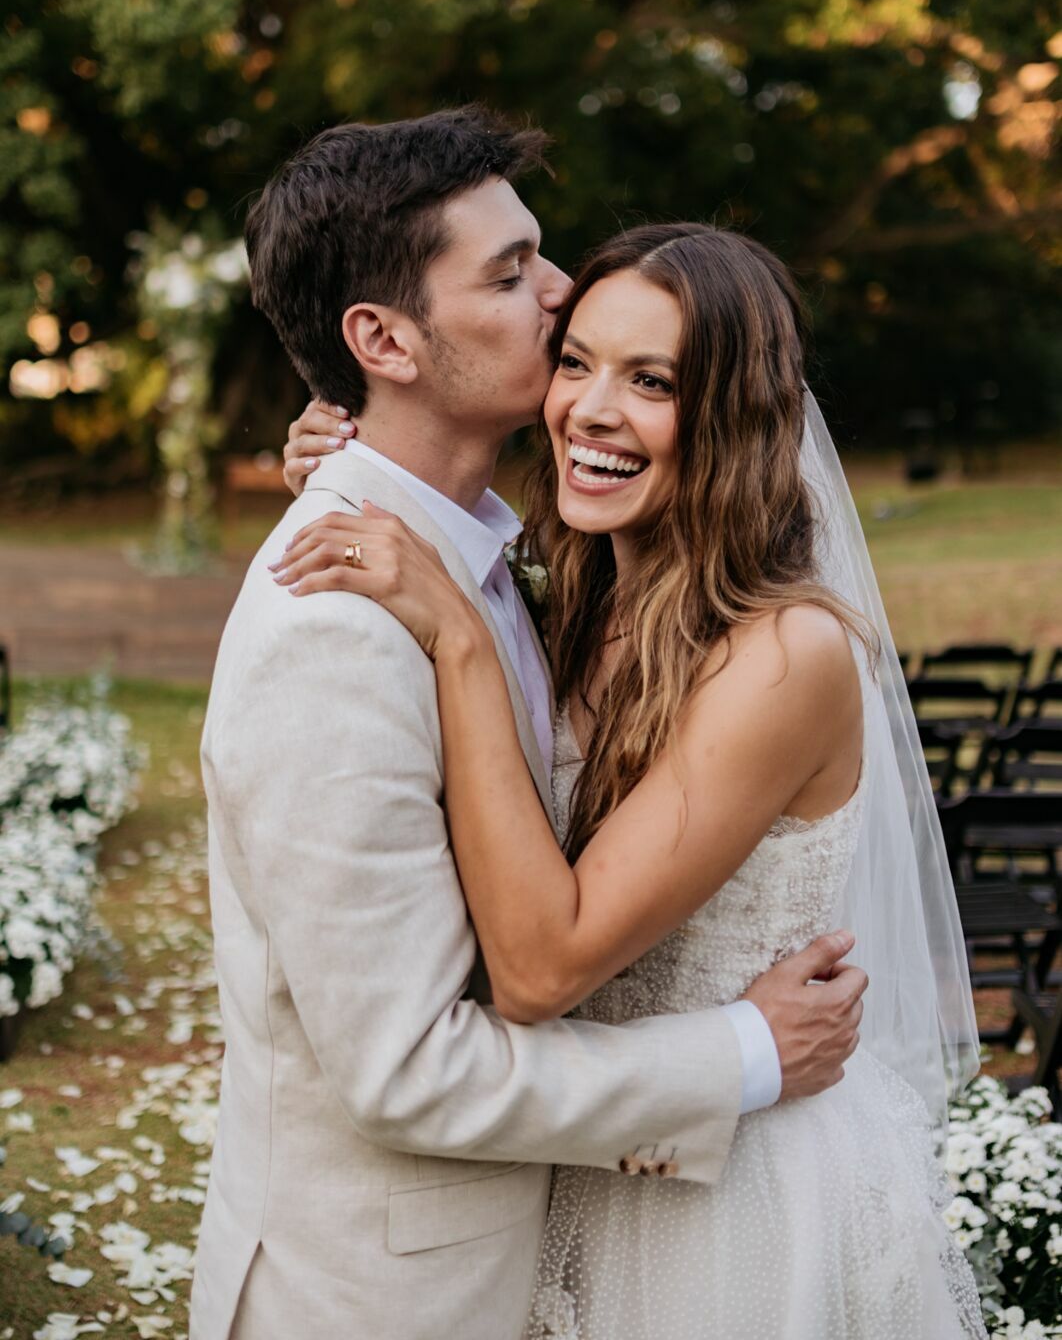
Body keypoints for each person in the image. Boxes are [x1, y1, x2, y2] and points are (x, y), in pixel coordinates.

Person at [189, 111, 865, 1340]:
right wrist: (748, 1052)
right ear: (383, 339)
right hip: (386, 1297)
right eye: (509, 274)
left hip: (637, 1240)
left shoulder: (509, 559)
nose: (558, 296)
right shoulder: (334, 627)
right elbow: (411, 1066)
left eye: (540, 257)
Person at [279, 220, 985, 1338]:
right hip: (586, 1152)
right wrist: (357, 466)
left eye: (651, 380)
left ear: (736, 420)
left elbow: (543, 966)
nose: (590, 410)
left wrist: (458, 639)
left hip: (732, 1202)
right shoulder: (578, 597)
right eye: (576, 361)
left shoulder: (782, 654)